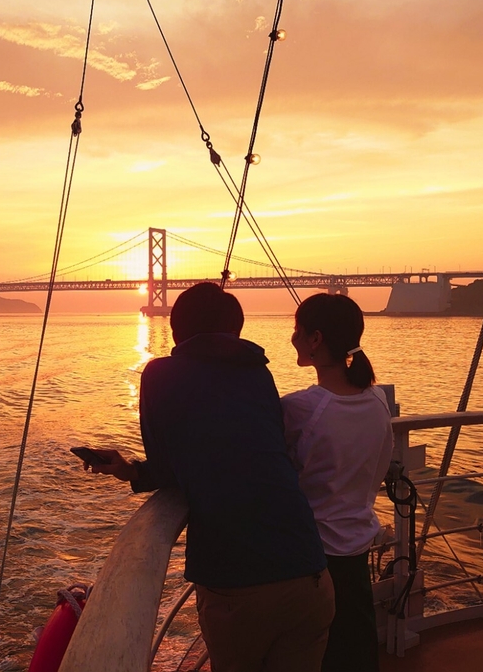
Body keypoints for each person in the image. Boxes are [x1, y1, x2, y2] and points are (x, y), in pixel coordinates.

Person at [87, 282, 335, 672]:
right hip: (311, 574)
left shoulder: (160, 374)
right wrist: (131, 470)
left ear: (175, 331)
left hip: (238, 586)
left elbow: (169, 464)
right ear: (237, 329)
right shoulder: (260, 374)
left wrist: (133, 470)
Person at [281, 293, 394, 672]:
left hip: (312, 554)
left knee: (316, 650)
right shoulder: (377, 400)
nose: (292, 338)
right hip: (358, 544)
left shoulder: (301, 408)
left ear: (315, 339)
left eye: (297, 331)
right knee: (356, 643)